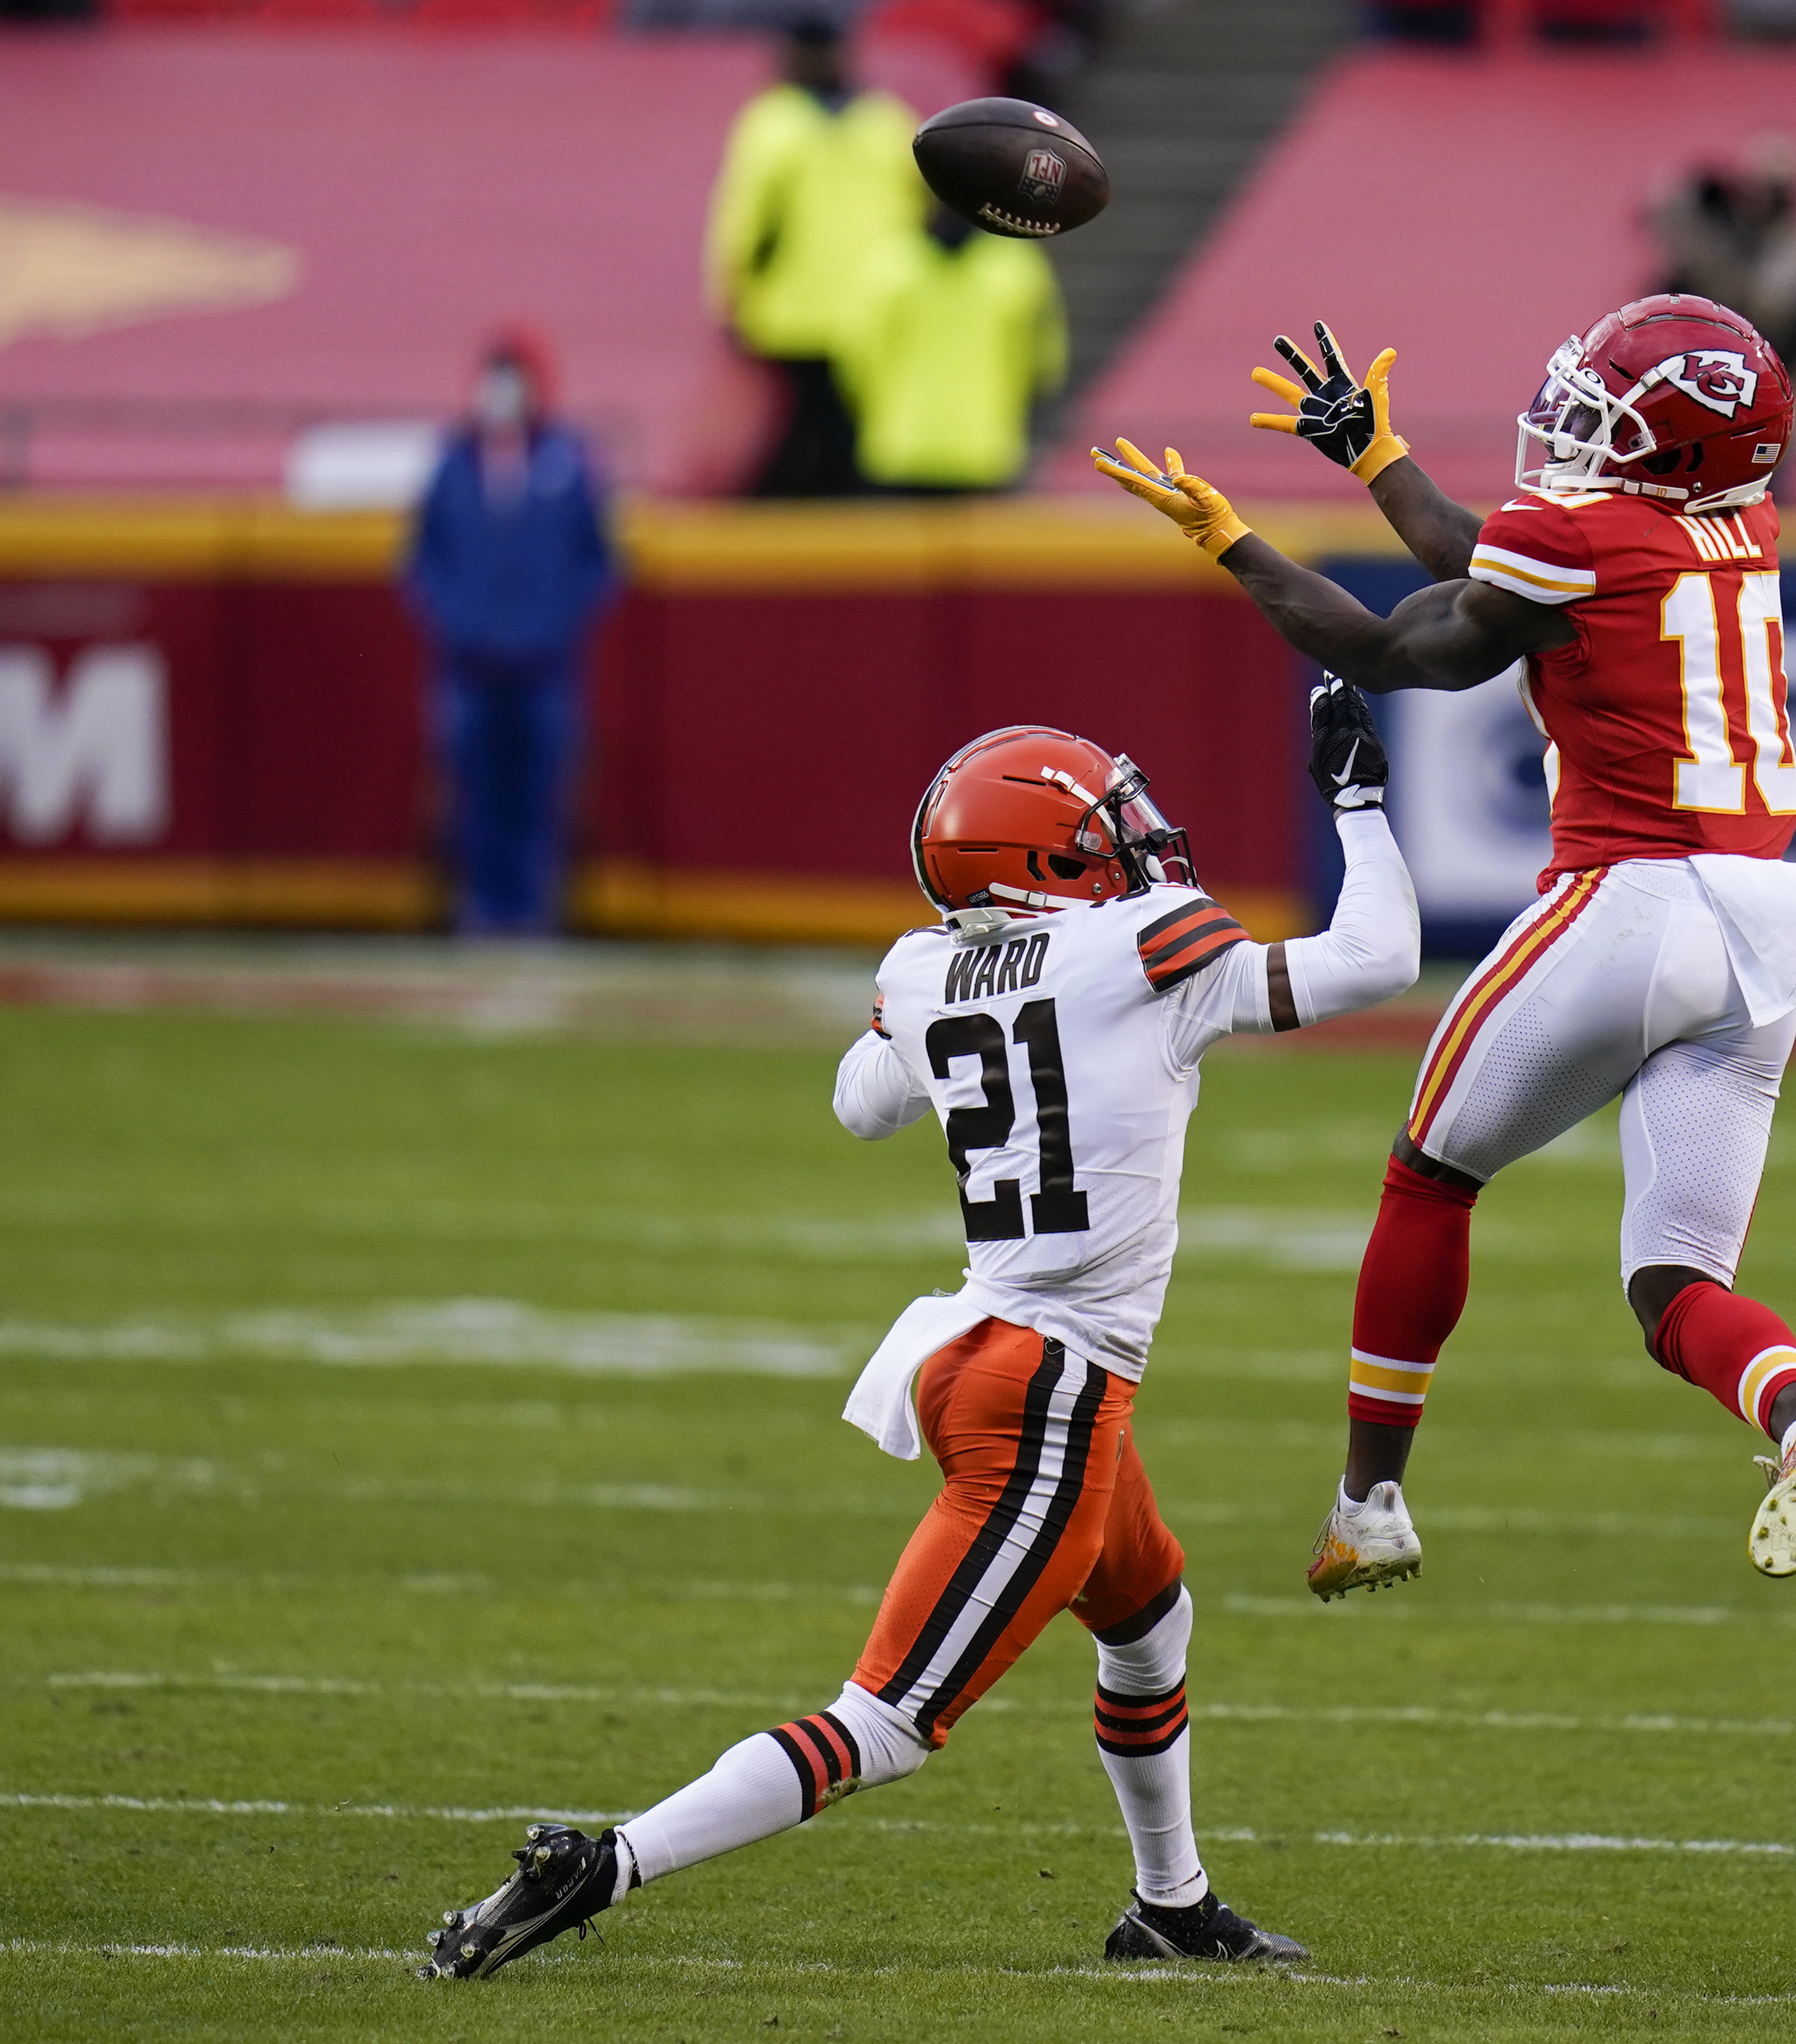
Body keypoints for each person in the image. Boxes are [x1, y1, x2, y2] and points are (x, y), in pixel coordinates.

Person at [417, 697, 1420, 1980]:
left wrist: (941, 1006)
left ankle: (1172, 1905)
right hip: (1047, 1392)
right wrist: (1356, 804)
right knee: (884, 1723)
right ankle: (602, 1863)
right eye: (1106, 829)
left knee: (1149, 1617)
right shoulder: (1149, 947)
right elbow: (1380, 956)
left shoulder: (921, 967)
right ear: (1046, 859)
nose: (1138, 845)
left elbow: (859, 1103)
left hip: (986, 1355)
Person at [1093, 296, 1796, 1597]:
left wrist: (1239, 547)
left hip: (1630, 904)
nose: (1574, 428)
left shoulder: (1579, 537)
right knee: (1675, 1281)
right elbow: (1502, 572)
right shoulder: (1738, 516)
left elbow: (1396, 648)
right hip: (1762, 932)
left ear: (1672, 448)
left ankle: (1370, 1504)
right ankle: (1791, 1403)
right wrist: (1378, 464)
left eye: (1609, 418)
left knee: (1430, 1177)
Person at [400, 327, 619, 939]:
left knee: (539, 792)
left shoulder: (567, 461)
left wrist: (553, 623)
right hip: (469, 665)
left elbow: (597, 561)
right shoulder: (453, 463)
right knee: (474, 792)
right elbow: (423, 560)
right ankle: (481, 908)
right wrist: (459, 622)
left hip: (543, 667)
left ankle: (532, 912)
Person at [704, 16, 926, 498]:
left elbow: (744, 220)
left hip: (808, 308)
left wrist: (731, 293)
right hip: (841, 310)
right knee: (830, 424)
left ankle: (780, 516)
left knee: (820, 424)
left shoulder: (775, 123)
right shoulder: (885, 123)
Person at [838, 199, 1066, 494]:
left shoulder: (889, 267)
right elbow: (1045, 363)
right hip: (984, 448)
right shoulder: (1017, 268)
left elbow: (855, 360)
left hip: (901, 446)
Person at [1648, 136, 1796, 394]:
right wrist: (1694, 200)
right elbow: (1652, 215)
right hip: (1685, 359)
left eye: (1775, 188)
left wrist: (1716, 251)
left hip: (1759, 381)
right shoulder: (1724, 223)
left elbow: (1768, 309)